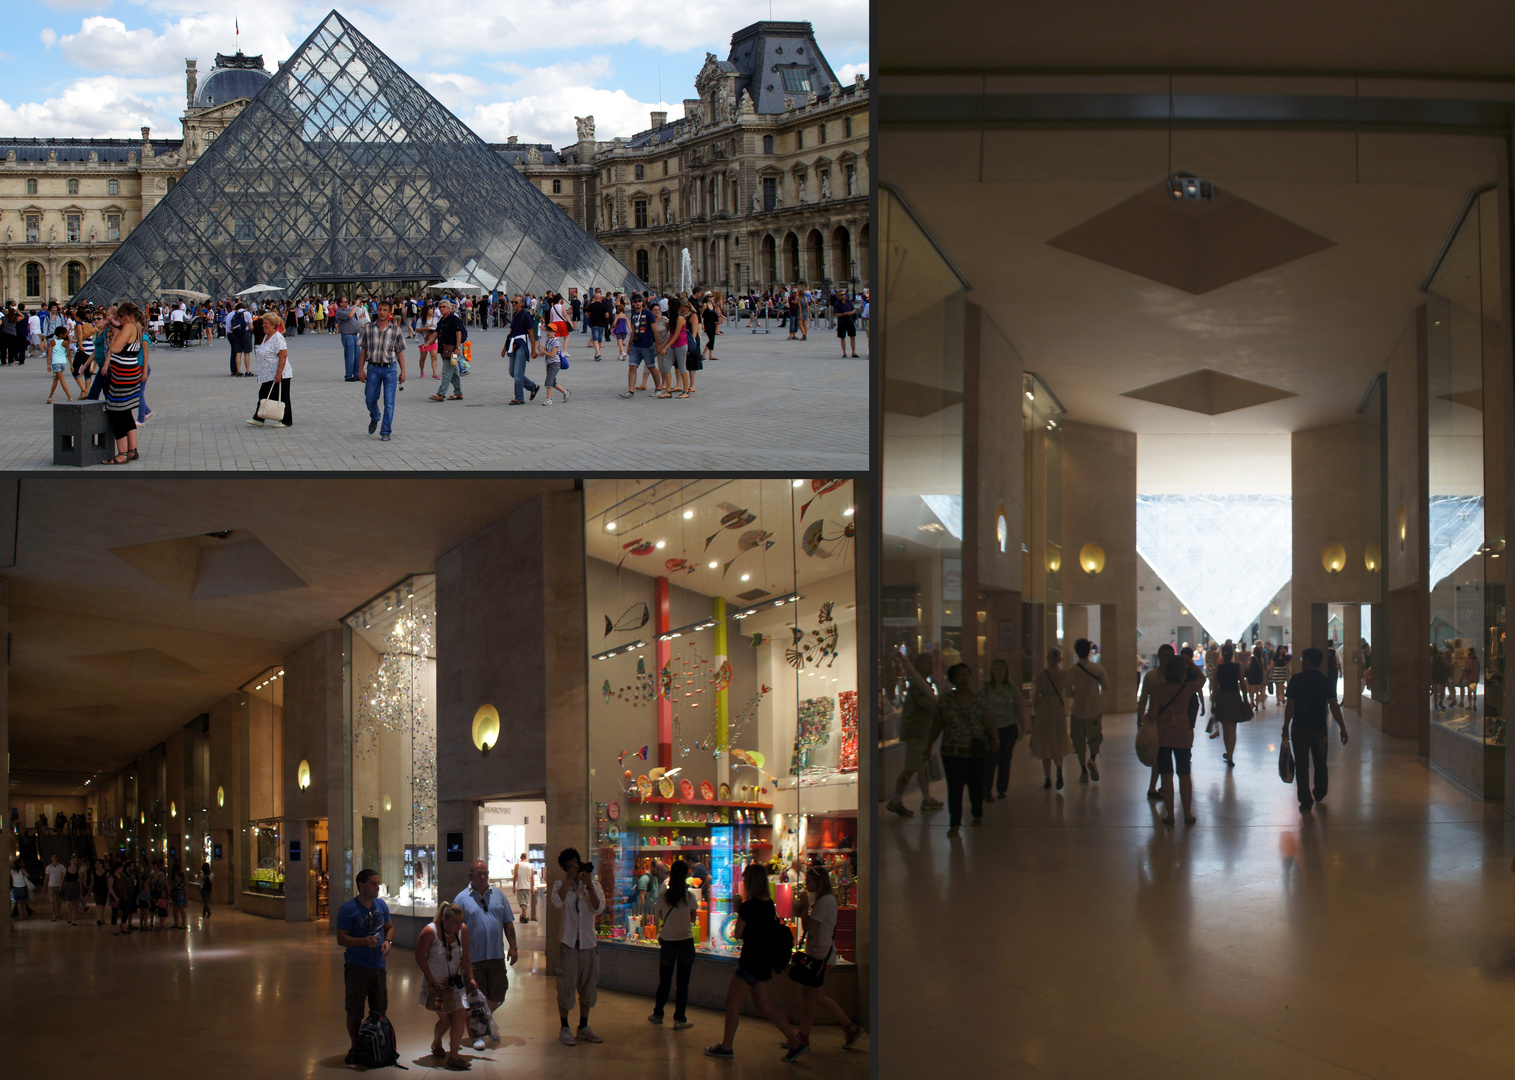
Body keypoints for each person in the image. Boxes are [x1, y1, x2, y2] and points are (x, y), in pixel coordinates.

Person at [704, 863, 808, 1061]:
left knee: (733, 1001)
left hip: (750, 961)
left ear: (750, 882)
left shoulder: (748, 906)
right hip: (764, 962)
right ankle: (795, 1042)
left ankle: (726, 1047)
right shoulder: (768, 904)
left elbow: (738, 933)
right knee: (765, 1006)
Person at [792, 864, 865, 1053]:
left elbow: (808, 926)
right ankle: (845, 1028)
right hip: (820, 953)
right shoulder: (825, 900)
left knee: (813, 996)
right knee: (813, 996)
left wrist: (804, 905)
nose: (806, 884)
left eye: (809, 881)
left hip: (821, 955)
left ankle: (806, 1037)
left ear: (818, 881)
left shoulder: (824, 902)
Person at [926, 662, 998, 837]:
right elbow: (938, 723)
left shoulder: (979, 698)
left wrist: (994, 737)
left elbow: (987, 719)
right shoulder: (946, 700)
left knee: (976, 784)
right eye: (959, 675)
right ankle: (955, 822)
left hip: (975, 749)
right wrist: (929, 745)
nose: (963, 679)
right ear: (952, 679)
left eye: (966, 675)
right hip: (952, 751)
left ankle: (977, 814)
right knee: (955, 788)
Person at [453, 860, 519, 1052]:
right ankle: (478, 1034)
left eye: (485, 873)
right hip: (473, 957)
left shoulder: (498, 895)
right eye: (479, 874)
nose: (483, 877)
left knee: (499, 993)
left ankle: (484, 1022)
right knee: (475, 997)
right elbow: (454, 929)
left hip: (496, 955)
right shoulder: (461, 899)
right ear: (470, 875)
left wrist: (513, 946)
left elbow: (508, 922)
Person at [335, 868, 394, 1067]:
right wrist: (362, 942)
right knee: (354, 1010)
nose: (378, 887)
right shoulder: (348, 909)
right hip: (357, 966)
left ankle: (378, 1042)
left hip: (378, 965)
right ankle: (354, 1046)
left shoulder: (381, 905)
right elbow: (341, 938)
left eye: (378, 883)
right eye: (374, 883)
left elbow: (390, 927)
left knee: (379, 1008)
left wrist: (388, 942)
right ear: (362, 885)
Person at [1283, 648, 1349, 815]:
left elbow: (1290, 705)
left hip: (1299, 728)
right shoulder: (1325, 681)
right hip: (1319, 729)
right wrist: (1342, 727)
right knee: (1320, 763)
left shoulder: (1296, 680)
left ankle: (1305, 802)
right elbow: (1334, 705)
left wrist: (1285, 725)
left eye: (1302, 658)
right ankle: (1320, 792)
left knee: (1302, 765)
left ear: (1307, 660)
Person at [550, 848, 606, 1046]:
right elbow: (557, 902)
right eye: (570, 866)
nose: (575, 868)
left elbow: (598, 908)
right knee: (565, 988)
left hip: (589, 945)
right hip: (569, 945)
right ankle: (564, 1027)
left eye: (576, 864)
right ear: (565, 869)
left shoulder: (593, 885)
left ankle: (583, 1027)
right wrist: (568, 880)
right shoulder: (560, 885)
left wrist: (588, 884)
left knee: (588, 989)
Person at [415, 900, 478, 1070]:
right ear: (444, 920)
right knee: (445, 1020)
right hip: (437, 985)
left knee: (459, 1014)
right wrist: (430, 980)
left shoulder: (462, 931)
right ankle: (436, 1042)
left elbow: (466, 956)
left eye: (461, 921)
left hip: (455, 983)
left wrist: (470, 977)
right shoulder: (430, 931)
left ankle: (454, 1056)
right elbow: (420, 956)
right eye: (455, 922)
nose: (459, 925)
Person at [886, 649, 944, 816]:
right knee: (912, 767)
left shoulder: (923, 683)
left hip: (922, 731)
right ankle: (896, 800)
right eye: (927, 662)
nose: (930, 666)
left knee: (921, 766)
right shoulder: (919, 685)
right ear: (918, 665)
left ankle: (926, 798)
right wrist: (941, 703)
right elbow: (925, 703)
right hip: (916, 731)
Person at [1152, 656, 1207, 826]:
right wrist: (1190, 664)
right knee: (1184, 773)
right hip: (1182, 733)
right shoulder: (1187, 687)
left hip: (1163, 735)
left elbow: (1152, 715)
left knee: (1166, 774)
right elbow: (1202, 679)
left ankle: (1169, 815)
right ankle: (1187, 813)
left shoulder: (1158, 690)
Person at [648, 858, 698, 1029]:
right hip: (685, 942)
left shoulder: (663, 896)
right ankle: (680, 1018)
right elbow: (693, 918)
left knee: (665, 981)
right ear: (685, 875)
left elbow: (661, 916)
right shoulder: (689, 896)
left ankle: (658, 1013)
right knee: (682, 983)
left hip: (668, 941)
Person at [99, 302, 145, 464]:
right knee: (126, 412)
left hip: (121, 374)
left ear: (129, 317)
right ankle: (132, 450)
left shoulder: (128, 328)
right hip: (132, 372)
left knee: (115, 412)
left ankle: (122, 454)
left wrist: (111, 337)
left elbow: (116, 348)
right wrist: (116, 325)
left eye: (120, 317)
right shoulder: (138, 326)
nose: (118, 319)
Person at [358, 300, 407, 442]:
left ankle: (386, 430)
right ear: (376, 310)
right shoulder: (367, 328)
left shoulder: (396, 330)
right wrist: (360, 369)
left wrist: (403, 371)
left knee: (389, 402)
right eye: (380, 309)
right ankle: (375, 416)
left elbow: (400, 352)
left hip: (390, 368)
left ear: (390, 312)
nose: (382, 312)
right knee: (370, 399)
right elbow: (363, 350)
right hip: (373, 368)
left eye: (385, 310)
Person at [981, 657, 1026, 801]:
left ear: (1006, 671)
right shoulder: (986, 687)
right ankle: (986, 790)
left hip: (1008, 728)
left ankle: (1002, 789)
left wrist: (1023, 725)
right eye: (996, 669)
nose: (999, 672)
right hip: (991, 728)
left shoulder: (1011, 688)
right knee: (990, 760)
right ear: (992, 671)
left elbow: (1017, 707)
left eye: (1001, 669)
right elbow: (980, 707)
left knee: (1005, 760)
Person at [1031, 647, 1073, 790]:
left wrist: (1036, 711)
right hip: (1058, 709)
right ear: (1059, 659)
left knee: (1045, 743)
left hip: (1044, 709)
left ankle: (1047, 778)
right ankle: (1059, 768)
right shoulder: (1063, 674)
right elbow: (1068, 692)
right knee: (1058, 740)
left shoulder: (1040, 675)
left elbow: (1036, 696)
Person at [1137, 644, 1176, 799]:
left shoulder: (1175, 676)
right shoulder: (1151, 676)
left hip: (1171, 721)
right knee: (1158, 756)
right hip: (1155, 720)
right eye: (1163, 654)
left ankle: (1160, 786)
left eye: (1168, 655)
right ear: (1158, 656)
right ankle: (1155, 787)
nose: (1165, 657)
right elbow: (1143, 697)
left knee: (1165, 756)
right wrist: (1139, 717)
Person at [1068, 638, 1109, 783]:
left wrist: (1077, 694)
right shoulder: (1097, 669)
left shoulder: (1072, 670)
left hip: (1077, 710)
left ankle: (1083, 770)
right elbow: (1106, 686)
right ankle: (1092, 758)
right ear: (1089, 651)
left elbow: (1068, 692)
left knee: (1078, 741)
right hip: (1094, 708)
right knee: (1095, 737)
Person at [247, 312, 292, 427]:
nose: (263, 325)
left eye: (266, 323)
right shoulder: (267, 336)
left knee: (282, 397)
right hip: (268, 374)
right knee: (264, 394)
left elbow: (283, 356)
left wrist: (279, 374)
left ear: (273, 325)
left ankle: (286, 420)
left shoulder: (278, 338)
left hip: (279, 373)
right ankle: (259, 418)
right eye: (263, 323)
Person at [1211, 642, 1252, 766]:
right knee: (1232, 727)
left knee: (1225, 726)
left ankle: (1228, 752)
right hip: (1234, 696)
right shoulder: (1237, 667)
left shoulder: (1219, 668)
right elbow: (1243, 685)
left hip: (1222, 696)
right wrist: (1245, 698)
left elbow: (1214, 686)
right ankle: (1230, 754)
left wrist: (1213, 702)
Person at [502, 294, 540, 405]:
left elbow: (531, 333)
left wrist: (533, 350)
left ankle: (519, 397)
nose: (513, 304)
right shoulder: (515, 315)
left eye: (516, 302)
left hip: (522, 345)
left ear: (522, 304)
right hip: (513, 344)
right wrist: (504, 348)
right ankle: (533, 386)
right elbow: (510, 333)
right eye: (513, 302)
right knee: (512, 372)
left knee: (518, 373)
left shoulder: (525, 315)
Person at [430, 300, 468, 401]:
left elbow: (458, 332)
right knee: (454, 372)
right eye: (440, 307)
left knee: (446, 371)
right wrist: (427, 343)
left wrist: (457, 347)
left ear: (449, 308)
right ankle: (458, 392)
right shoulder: (442, 320)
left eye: (443, 307)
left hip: (452, 351)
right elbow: (436, 333)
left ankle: (441, 393)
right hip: (445, 350)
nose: (441, 309)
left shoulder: (453, 319)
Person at [621, 296, 657, 398]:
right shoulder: (633, 315)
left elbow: (655, 330)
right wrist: (629, 345)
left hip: (647, 345)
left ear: (642, 303)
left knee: (651, 367)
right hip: (635, 346)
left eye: (639, 301)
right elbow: (633, 331)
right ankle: (631, 391)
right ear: (632, 303)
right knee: (632, 367)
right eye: (635, 301)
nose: (637, 303)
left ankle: (658, 388)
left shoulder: (648, 314)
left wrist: (657, 345)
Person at [334, 297, 364, 381]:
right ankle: (349, 375)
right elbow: (350, 316)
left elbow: (355, 314)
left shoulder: (347, 310)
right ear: (340, 303)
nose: (347, 303)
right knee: (350, 356)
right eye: (345, 302)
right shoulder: (339, 312)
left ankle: (356, 373)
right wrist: (355, 305)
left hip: (355, 335)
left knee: (357, 355)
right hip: (348, 335)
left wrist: (359, 306)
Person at [585, 287, 610, 360]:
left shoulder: (591, 305)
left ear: (595, 298)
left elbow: (587, 314)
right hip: (602, 324)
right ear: (600, 298)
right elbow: (607, 315)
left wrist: (590, 315)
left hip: (594, 324)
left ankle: (597, 353)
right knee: (599, 340)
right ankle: (598, 353)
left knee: (595, 339)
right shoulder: (603, 305)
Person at [42, 853, 65, 920]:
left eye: (55, 857)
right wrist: (44, 886)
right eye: (53, 857)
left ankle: (58, 913)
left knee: (59, 901)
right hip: (51, 885)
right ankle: (54, 914)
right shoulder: (48, 867)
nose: (54, 858)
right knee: (52, 901)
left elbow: (63, 876)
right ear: (51, 859)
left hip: (59, 885)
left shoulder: (61, 867)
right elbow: (46, 877)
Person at [512, 853, 533, 922]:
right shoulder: (530, 866)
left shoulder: (518, 865)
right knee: (525, 903)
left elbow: (515, 876)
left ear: (520, 857)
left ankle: (524, 916)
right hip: (528, 887)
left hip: (520, 886)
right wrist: (532, 887)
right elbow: (532, 877)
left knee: (522, 903)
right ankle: (523, 916)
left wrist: (513, 886)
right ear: (526, 858)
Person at [91, 858, 109, 925]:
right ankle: (99, 918)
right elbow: (92, 882)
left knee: (103, 905)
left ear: (102, 864)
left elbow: (108, 882)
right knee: (98, 904)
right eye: (96, 864)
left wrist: (109, 890)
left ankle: (103, 918)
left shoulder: (106, 872)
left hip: (104, 889)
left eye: (98, 864)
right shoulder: (94, 873)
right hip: (96, 890)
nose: (97, 865)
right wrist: (90, 890)